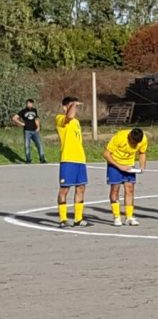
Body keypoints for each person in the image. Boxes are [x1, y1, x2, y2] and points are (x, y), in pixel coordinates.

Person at [103, 128, 148, 227]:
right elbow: (106, 154)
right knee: (115, 189)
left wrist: (142, 166)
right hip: (115, 164)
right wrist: (119, 166)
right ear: (130, 137)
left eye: (136, 143)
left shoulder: (143, 139)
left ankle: (129, 217)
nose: (134, 145)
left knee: (130, 189)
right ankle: (116, 216)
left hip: (129, 165)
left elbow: (142, 152)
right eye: (132, 142)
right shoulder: (120, 137)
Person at [55, 97, 89, 227]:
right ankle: (63, 219)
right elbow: (69, 116)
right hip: (68, 159)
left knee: (81, 187)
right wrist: (73, 104)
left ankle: (78, 218)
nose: (75, 109)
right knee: (65, 189)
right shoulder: (60, 119)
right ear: (65, 106)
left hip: (79, 159)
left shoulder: (76, 122)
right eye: (73, 106)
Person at [12, 99, 46, 164]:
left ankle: (42, 159)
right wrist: (21, 123)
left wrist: (38, 127)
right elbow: (14, 118)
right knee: (27, 145)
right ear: (26, 104)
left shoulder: (34, 110)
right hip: (27, 130)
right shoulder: (23, 111)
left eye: (31, 103)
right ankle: (28, 160)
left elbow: (36, 119)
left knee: (39, 144)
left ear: (32, 104)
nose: (30, 105)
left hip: (35, 130)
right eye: (28, 103)